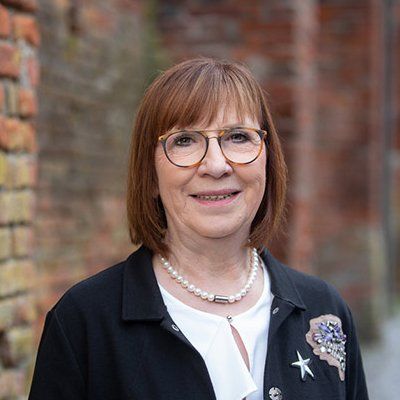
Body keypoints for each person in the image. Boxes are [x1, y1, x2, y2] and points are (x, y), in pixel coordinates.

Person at [28, 58, 369, 400]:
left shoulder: (326, 311)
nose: (216, 165)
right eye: (185, 141)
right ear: (150, 175)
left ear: (267, 160)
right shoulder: (84, 323)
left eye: (238, 137)